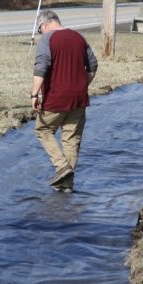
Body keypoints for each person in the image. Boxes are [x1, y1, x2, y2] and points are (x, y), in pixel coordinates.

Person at [31, 10, 98, 193]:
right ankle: (66, 185)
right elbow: (93, 64)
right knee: (71, 139)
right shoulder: (78, 37)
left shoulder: (47, 39)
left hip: (56, 98)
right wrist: (83, 84)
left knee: (43, 129)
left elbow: (41, 66)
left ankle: (62, 167)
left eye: (39, 30)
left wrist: (34, 94)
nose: (40, 33)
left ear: (44, 25)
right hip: (79, 98)